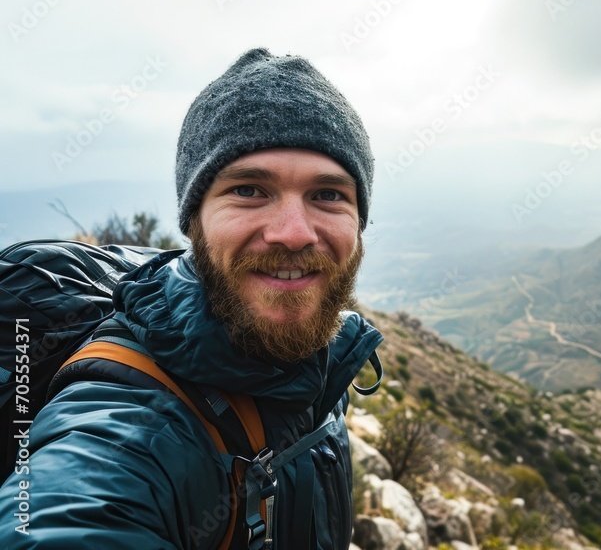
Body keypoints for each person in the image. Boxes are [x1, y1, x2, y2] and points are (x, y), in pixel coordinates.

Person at [0, 48, 381, 549]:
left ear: (358, 220)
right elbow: (70, 515)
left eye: (328, 194)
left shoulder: (323, 359)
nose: (294, 233)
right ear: (194, 221)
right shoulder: (128, 422)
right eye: (249, 190)